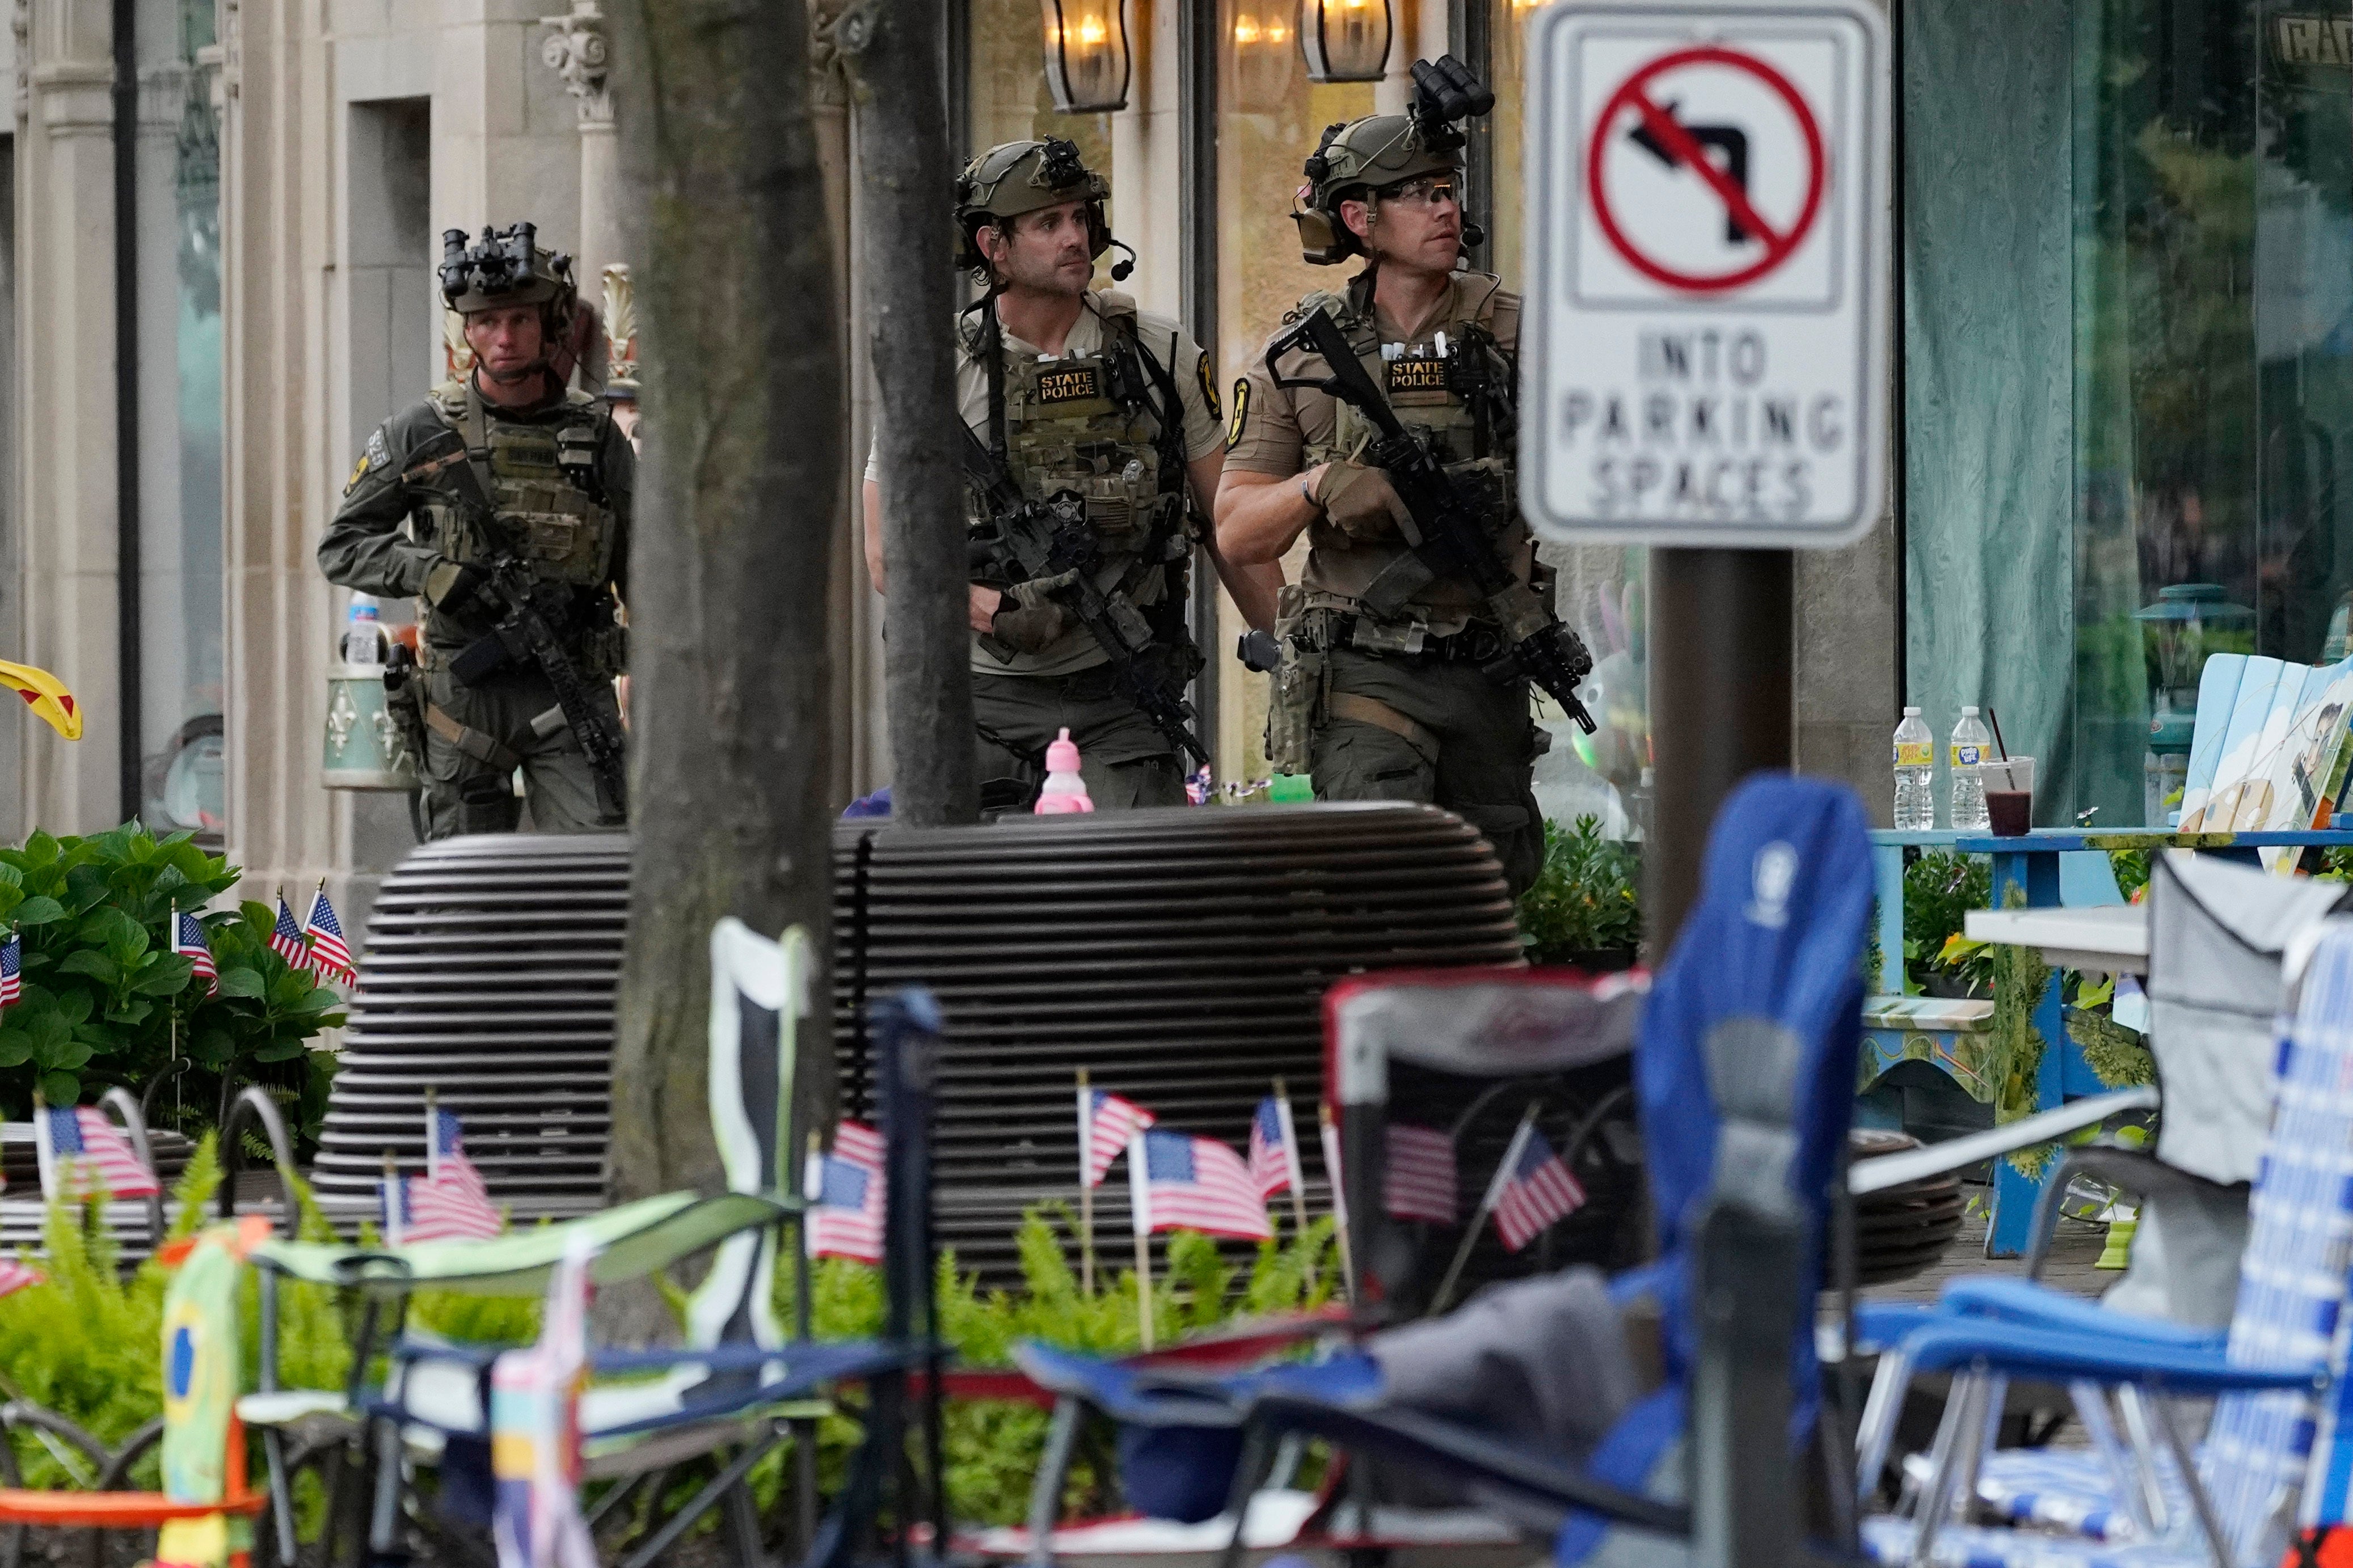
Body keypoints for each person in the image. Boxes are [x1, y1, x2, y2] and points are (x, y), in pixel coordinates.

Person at [861, 137, 1281, 809]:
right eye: (1047, 223)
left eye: (1081, 218)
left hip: (1122, 694)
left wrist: (1291, 657)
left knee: (1141, 895)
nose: (1074, 238)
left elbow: (1228, 524)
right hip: (978, 699)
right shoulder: (933, 368)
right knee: (977, 904)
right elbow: (887, 555)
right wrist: (993, 609)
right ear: (993, 246)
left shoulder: (1158, 353)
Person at [1215, 87, 1555, 894]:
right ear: (1361, 221)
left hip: (1488, 668)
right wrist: (1320, 485)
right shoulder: (1302, 354)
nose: (1444, 209)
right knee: (1384, 891)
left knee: (1489, 905)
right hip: (1366, 672)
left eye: (1448, 190)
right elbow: (1236, 529)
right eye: (1418, 193)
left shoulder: (1522, 333)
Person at [319, 223, 634, 839]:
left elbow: (644, 561)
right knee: (463, 883)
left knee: (601, 866)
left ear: (551, 324)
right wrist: (431, 571)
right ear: (467, 330)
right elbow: (342, 546)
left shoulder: (596, 435)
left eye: (519, 319)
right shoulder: (422, 432)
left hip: (570, 683)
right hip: (464, 693)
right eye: (487, 322)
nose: (504, 337)